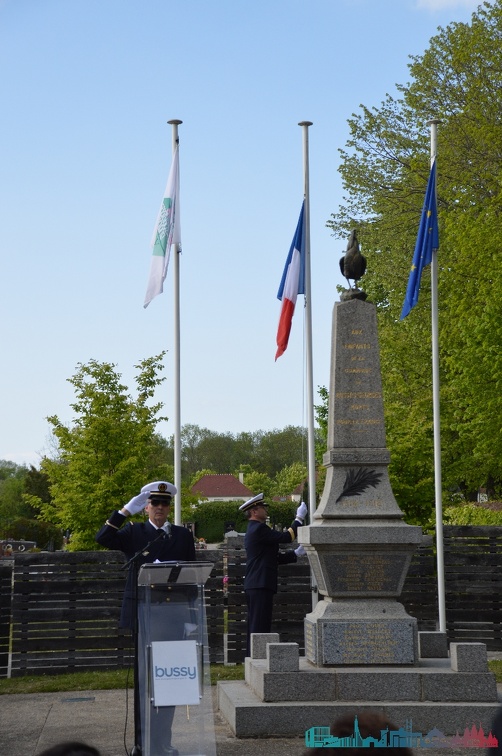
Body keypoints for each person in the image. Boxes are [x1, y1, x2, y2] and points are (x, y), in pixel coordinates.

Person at [96, 480, 195, 756]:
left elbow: (191, 578)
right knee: (145, 683)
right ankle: (143, 743)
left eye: (164, 503)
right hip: (144, 616)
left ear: (169, 507)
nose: (160, 507)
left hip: (173, 617)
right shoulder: (135, 532)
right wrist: (124, 511)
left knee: (169, 680)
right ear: (146, 507)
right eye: (154, 503)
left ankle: (163, 741)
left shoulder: (181, 535)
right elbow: (103, 538)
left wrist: (192, 618)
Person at [240, 492, 307, 655]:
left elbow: (271, 558)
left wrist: (295, 554)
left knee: (258, 624)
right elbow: (287, 537)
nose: (266, 510)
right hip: (260, 583)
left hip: (258, 583)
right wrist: (299, 518)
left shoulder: (255, 529)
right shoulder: (259, 529)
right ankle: (257, 659)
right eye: (262, 507)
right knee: (259, 626)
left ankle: (254, 657)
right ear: (254, 511)